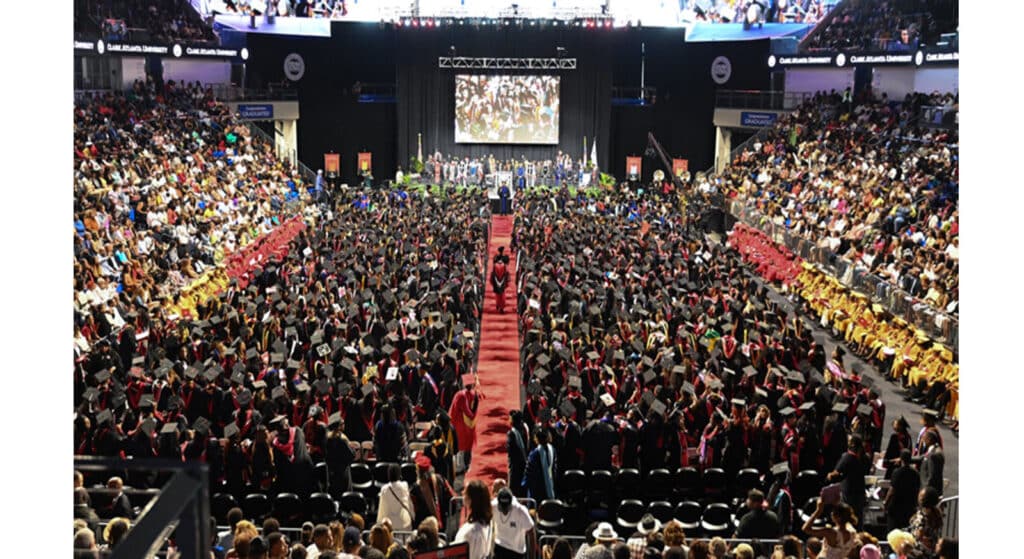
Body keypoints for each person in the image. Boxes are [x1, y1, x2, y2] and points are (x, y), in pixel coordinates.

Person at [827, 434, 869, 526]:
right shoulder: (865, 458)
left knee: (846, 519)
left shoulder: (847, 457)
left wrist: (829, 475)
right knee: (858, 519)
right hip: (860, 493)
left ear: (852, 444)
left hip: (849, 494)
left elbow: (835, 474)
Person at [455, 480, 495, 559]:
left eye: (465, 492)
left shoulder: (472, 531)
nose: (462, 493)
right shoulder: (487, 523)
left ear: (471, 499)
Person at [492, 487, 535, 559]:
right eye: (502, 508)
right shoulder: (493, 506)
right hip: (500, 546)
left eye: (507, 508)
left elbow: (531, 532)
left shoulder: (520, 511)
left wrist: (532, 557)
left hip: (516, 551)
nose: (504, 511)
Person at [884, 450, 921, 532]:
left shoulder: (896, 472)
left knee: (893, 532)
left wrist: (886, 502)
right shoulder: (916, 473)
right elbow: (918, 489)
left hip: (896, 508)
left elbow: (892, 490)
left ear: (901, 459)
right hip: (909, 507)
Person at [449, 376, 480, 472]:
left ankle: (463, 465)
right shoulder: (463, 395)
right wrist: (473, 417)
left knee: (463, 444)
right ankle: (462, 466)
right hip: (460, 422)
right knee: (462, 444)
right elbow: (467, 410)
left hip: (461, 422)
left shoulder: (463, 394)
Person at [523, 427, 557, 501]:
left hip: (537, 488)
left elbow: (530, 473)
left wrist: (524, 484)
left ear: (537, 439)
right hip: (550, 482)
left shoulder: (534, 454)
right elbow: (554, 468)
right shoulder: (552, 449)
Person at [378, 463, 414, 531]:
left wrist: (379, 523)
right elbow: (409, 503)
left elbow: (382, 507)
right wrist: (413, 515)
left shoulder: (384, 489)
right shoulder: (404, 485)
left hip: (390, 524)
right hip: (404, 522)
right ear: (399, 474)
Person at [907, 487, 943, 553]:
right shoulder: (936, 512)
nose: (918, 496)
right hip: (932, 549)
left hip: (920, 551)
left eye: (921, 496)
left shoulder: (921, 517)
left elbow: (918, 536)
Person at [507, 411, 530, 498]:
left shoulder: (512, 433)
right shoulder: (525, 429)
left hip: (515, 465)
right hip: (525, 461)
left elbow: (510, 450)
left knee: (515, 488)